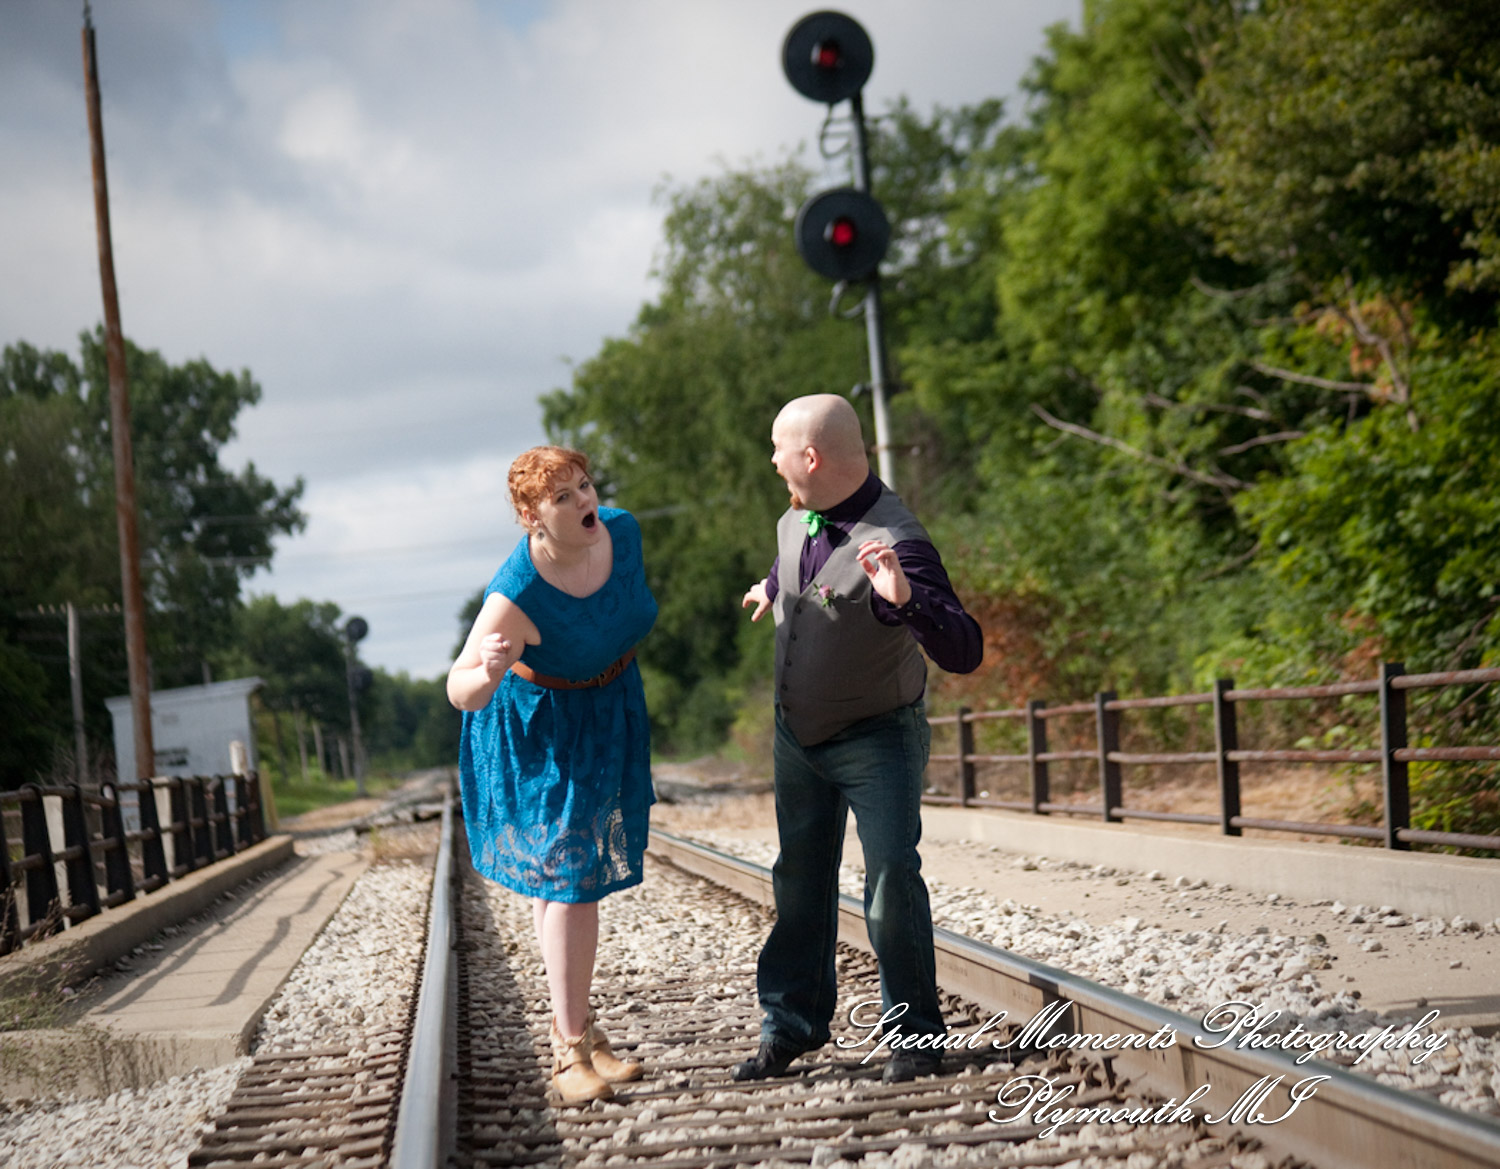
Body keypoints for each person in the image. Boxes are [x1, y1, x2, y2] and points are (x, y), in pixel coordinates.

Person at [735, 393, 983, 1084]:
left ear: (810, 459)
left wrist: (904, 598)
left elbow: (965, 648)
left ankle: (916, 1037)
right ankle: (790, 1024)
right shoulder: (797, 512)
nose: (773, 460)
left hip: (876, 735)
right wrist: (772, 585)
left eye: (779, 449)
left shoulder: (896, 539)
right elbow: (806, 568)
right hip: (797, 736)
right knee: (799, 879)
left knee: (889, 882)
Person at [448, 445, 657, 1105]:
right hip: (541, 726)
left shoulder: (622, 532)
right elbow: (459, 688)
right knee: (571, 877)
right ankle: (569, 1051)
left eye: (585, 486)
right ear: (529, 516)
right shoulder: (518, 590)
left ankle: (582, 1031)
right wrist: (486, 668)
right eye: (562, 497)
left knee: (564, 878)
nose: (583, 502)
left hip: (611, 705)